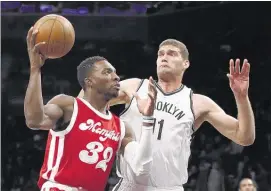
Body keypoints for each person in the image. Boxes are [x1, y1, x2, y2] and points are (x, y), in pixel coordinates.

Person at [79, 38, 256, 191]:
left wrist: (241, 97)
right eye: (160, 54)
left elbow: (244, 137)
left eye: (172, 54)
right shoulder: (134, 87)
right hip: (131, 185)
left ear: (185, 63)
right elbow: (85, 102)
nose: (164, 57)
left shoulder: (197, 102)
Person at [24, 27, 157, 191]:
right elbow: (34, 120)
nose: (116, 77)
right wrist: (35, 70)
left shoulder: (122, 128)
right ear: (89, 81)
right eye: (107, 72)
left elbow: (142, 167)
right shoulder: (69, 106)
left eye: (115, 73)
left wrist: (148, 120)